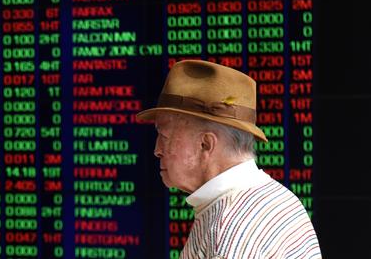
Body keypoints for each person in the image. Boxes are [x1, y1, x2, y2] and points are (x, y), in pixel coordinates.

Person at [137, 60, 321, 258]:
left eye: (164, 136)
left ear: (205, 144)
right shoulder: (273, 198)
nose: (157, 150)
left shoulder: (229, 230)